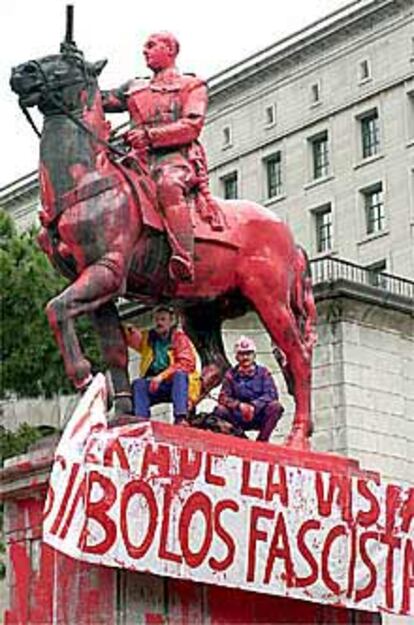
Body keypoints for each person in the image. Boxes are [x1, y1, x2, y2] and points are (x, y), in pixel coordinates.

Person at [102, 31, 222, 283]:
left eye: (151, 46)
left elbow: (191, 126)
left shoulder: (192, 85)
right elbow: (98, 100)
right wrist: (76, 71)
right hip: (137, 161)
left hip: (175, 159)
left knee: (168, 186)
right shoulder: (134, 87)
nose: (144, 51)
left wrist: (149, 136)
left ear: (170, 49)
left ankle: (183, 256)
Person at [123, 306, 200, 424]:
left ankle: (180, 418)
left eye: (163, 319)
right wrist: (127, 329)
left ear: (171, 322)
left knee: (179, 375)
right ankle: (141, 421)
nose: (159, 323)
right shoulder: (149, 339)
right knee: (139, 384)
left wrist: (162, 376)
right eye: (157, 320)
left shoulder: (179, 338)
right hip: (156, 384)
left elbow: (186, 364)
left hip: (177, 385)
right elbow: (136, 341)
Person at [213, 336, 284, 442]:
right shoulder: (230, 375)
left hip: (258, 415)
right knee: (219, 410)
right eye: (241, 354)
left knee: (276, 407)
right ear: (236, 357)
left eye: (248, 353)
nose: (245, 357)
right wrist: (239, 405)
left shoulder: (263, 373)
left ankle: (262, 441)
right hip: (238, 417)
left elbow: (271, 394)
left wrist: (254, 406)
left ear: (254, 355)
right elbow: (223, 397)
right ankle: (239, 439)